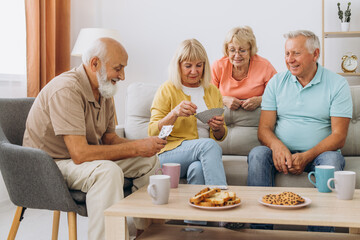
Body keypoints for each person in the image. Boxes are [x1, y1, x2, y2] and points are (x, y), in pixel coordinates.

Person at [23, 38, 167, 240]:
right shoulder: (66, 90)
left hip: (78, 159)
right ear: (94, 64)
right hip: (50, 164)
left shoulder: (104, 90)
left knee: (148, 160)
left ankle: (147, 232)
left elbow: (109, 140)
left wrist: (143, 146)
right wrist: (136, 148)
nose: (123, 76)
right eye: (118, 68)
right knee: (107, 172)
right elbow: (80, 153)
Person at [247, 30, 353, 231]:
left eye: (296, 53)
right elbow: (264, 130)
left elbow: (339, 137)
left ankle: (322, 234)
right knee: (258, 155)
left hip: (320, 155)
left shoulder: (337, 84)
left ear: (315, 54)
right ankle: (259, 231)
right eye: (287, 54)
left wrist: (307, 156)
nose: (290, 60)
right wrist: (277, 146)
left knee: (331, 161)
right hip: (282, 153)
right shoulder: (276, 83)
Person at [148, 38, 227, 187]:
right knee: (209, 146)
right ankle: (222, 197)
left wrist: (218, 128)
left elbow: (220, 136)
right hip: (169, 153)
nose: (194, 71)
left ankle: (197, 207)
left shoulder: (213, 91)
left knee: (197, 169)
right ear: (178, 66)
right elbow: (153, 132)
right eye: (188, 66)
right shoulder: (167, 89)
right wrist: (174, 114)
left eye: (199, 65)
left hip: (200, 155)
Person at [212, 26, 277, 111]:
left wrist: (260, 100)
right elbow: (207, 95)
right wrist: (223, 99)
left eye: (242, 50)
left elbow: (278, 94)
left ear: (251, 50)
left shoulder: (264, 66)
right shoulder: (218, 66)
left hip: (254, 117)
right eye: (232, 50)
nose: (237, 55)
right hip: (224, 117)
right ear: (227, 50)